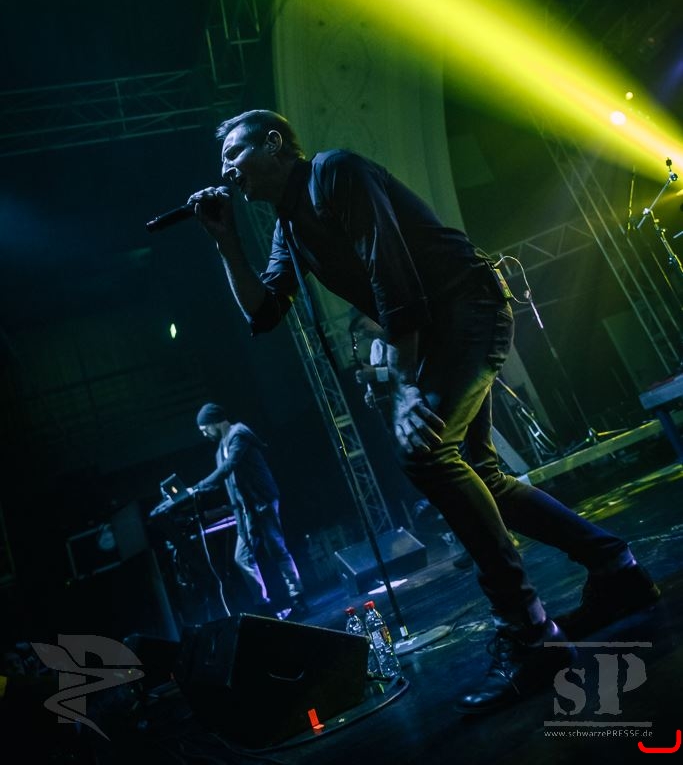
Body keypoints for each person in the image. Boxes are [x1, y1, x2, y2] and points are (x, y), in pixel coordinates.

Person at [186, 109, 660, 714]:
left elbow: (392, 272)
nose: (226, 170)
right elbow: (262, 311)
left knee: (428, 454)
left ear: (274, 144)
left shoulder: (335, 172)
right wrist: (225, 242)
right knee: (479, 473)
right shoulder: (287, 227)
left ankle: (530, 633)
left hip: (468, 308)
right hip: (440, 333)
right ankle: (615, 568)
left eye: (233, 153)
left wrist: (407, 382)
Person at [191, 403, 306, 619]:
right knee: (242, 557)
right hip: (246, 511)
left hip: (262, 502)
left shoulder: (238, 434)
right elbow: (227, 480)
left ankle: (298, 598)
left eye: (205, 429)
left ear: (215, 421)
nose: (205, 434)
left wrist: (198, 487)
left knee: (277, 550)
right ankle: (264, 606)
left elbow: (229, 466)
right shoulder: (220, 449)